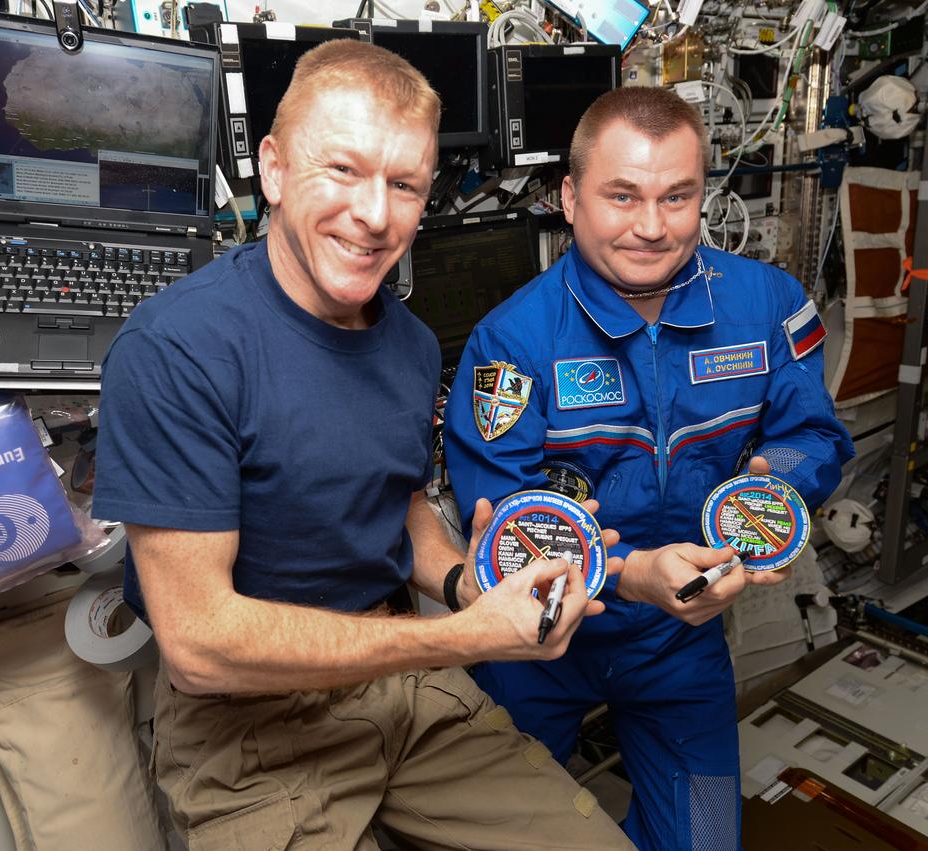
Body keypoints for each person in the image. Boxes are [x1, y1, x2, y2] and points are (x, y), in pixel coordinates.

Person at [92, 40, 640, 850]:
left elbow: (399, 502)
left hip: (400, 682)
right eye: (342, 170)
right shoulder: (177, 349)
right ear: (274, 170)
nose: (376, 215)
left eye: (404, 184)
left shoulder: (409, 344)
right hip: (250, 729)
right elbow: (200, 645)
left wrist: (464, 581)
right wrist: (459, 637)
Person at [443, 86, 856, 850]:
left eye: (676, 196)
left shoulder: (767, 305)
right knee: (488, 836)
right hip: (537, 642)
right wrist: (630, 573)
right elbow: (501, 522)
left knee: (706, 838)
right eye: (621, 195)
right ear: (569, 199)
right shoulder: (513, 341)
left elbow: (810, 433)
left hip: (678, 641)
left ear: (703, 196)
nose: (651, 226)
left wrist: (771, 489)